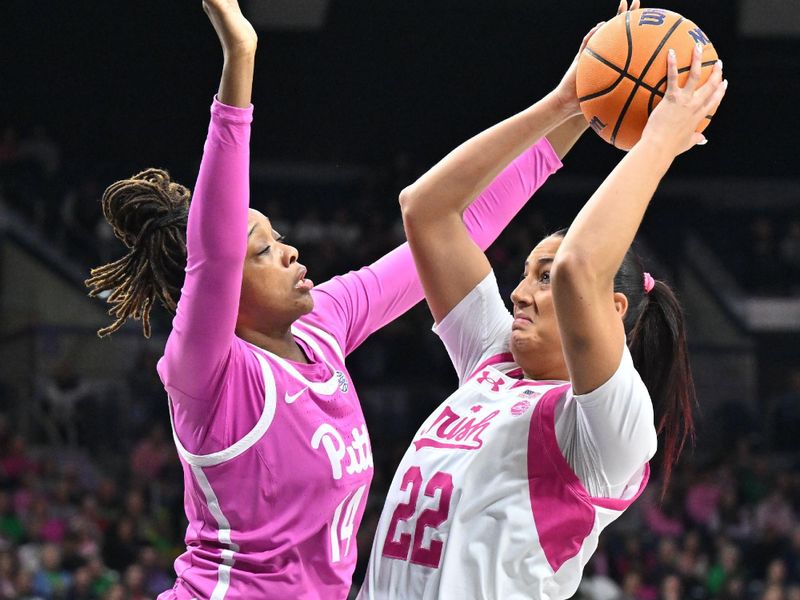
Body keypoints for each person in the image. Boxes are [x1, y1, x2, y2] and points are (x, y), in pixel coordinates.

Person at [85, 1, 589, 597]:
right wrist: (240, 60)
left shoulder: (325, 322)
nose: (291, 252)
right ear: (224, 287)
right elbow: (213, 252)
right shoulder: (208, 375)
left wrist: (577, 110)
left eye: (280, 238)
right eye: (264, 251)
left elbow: (461, 232)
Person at [358, 3, 728, 598]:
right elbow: (425, 209)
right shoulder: (494, 360)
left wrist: (658, 141)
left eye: (544, 278)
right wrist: (566, 104)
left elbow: (583, 265)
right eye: (528, 274)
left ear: (612, 311)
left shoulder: (610, 428)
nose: (521, 292)